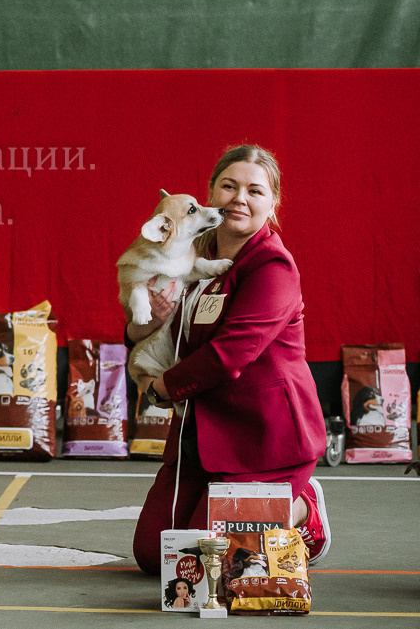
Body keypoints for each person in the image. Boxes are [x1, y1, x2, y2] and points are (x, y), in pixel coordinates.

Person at [128, 145, 329, 573]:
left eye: (255, 190)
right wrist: (142, 327)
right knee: (152, 557)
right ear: (210, 194)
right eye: (229, 186)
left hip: (266, 440)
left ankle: (301, 509)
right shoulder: (185, 251)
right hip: (204, 436)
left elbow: (228, 354)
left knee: (203, 565)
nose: (240, 198)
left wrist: (161, 388)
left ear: (272, 204)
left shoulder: (273, 267)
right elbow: (146, 325)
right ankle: (266, 510)